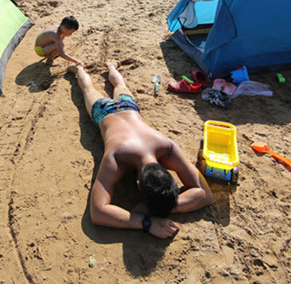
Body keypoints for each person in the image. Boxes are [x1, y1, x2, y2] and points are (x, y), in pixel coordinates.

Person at [68, 61, 213, 238]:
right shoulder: (117, 157)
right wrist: (146, 222)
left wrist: (165, 206)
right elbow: (97, 213)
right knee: (88, 87)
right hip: (105, 112)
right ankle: (80, 69)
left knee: (115, 86)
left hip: (129, 109)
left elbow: (206, 193)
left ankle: (111, 67)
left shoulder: (167, 147)